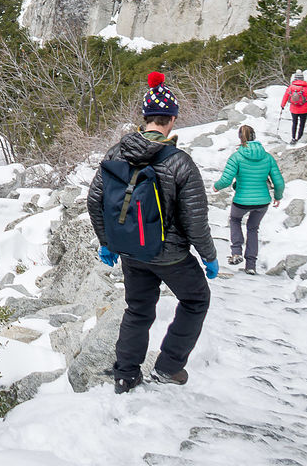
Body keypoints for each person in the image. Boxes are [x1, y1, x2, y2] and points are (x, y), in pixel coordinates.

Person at [87, 78, 218, 393]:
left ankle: (126, 375)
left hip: (131, 250)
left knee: (138, 309)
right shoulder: (179, 162)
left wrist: (108, 243)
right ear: (172, 120)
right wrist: (209, 256)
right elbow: (195, 219)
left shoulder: (116, 152)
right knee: (196, 298)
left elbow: (94, 200)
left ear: (144, 117)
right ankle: (169, 366)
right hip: (170, 255)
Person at [213, 124, 284, 275]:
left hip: (241, 200)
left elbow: (226, 180)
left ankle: (236, 251)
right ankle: (250, 265)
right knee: (253, 228)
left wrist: (216, 187)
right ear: (254, 137)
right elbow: (279, 182)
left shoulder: (237, 157)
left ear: (240, 138)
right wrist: (278, 197)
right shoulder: (267, 157)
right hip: (262, 201)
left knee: (235, 220)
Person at [281, 71, 307, 143]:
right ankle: (299, 138)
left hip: (293, 109)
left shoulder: (291, 87)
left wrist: (282, 105)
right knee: (302, 124)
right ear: (302, 78)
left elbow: (285, 97)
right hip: (304, 109)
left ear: (295, 78)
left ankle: (293, 138)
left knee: (294, 123)